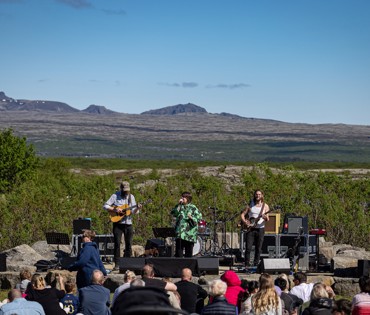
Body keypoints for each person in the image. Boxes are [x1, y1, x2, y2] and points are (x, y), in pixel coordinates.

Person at [103, 180, 142, 270]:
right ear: (121, 189)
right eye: (124, 190)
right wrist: (115, 209)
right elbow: (105, 206)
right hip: (118, 224)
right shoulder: (115, 195)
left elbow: (134, 212)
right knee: (117, 244)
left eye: (127, 190)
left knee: (129, 244)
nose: (126, 192)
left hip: (128, 224)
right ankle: (117, 264)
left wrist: (137, 208)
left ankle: (127, 263)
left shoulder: (131, 197)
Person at [240, 189, 270, 268]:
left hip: (260, 229)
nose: (258, 196)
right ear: (254, 195)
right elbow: (242, 215)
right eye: (256, 194)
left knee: (258, 248)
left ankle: (256, 264)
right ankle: (246, 264)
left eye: (259, 194)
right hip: (250, 229)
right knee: (248, 247)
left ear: (262, 195)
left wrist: (264, 217)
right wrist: (245, 222)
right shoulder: (250, 204)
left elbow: (267, 219)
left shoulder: (265, 206)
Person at [171, 191, 202, 257]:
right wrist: (179, 205)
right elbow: (174, 213)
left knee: (188, 254)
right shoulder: (179, 206)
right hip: (180, 234)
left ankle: (188, 267)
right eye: (182, 197)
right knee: (178, 254)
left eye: (184, 197)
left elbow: (199, 218)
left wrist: (192, 218)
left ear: (188, 198)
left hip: (189, 234)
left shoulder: (193, 207)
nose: (182, 198)